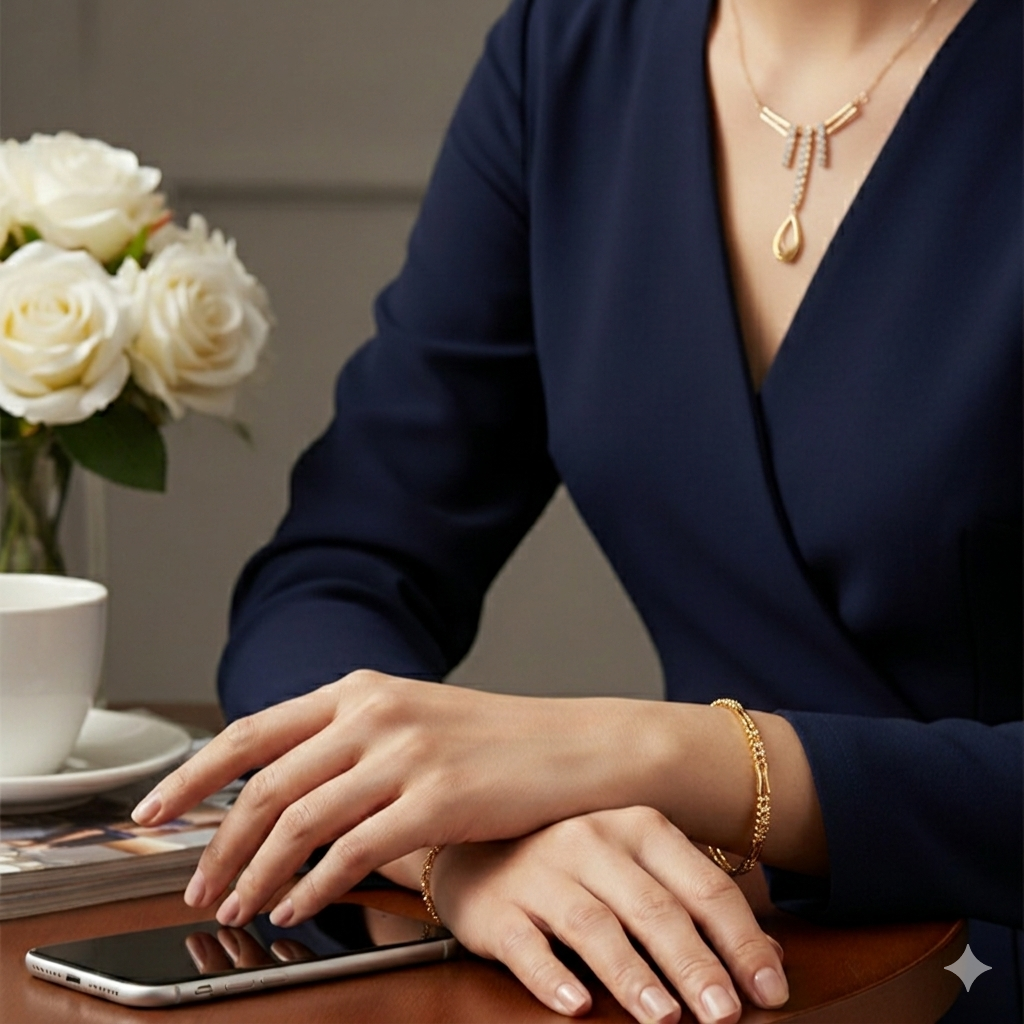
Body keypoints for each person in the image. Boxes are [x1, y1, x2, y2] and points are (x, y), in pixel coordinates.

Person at [132, 0, 1022, 1021]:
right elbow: (339, 564)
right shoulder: (569, 54)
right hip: (697, 963)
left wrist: (656, 755)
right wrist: (459, 843)